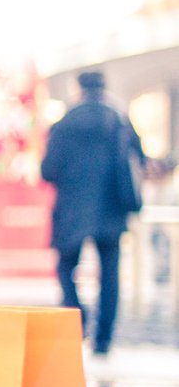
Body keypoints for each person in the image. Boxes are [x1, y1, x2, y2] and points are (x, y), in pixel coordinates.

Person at [41, 70, 144, 356]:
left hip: (72, 210)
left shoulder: (64, 123)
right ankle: (103, 339)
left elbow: (47, 170)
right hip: (112, 209)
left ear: (78, 88)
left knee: (64, 267)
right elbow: (140, 159)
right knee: (110, 275)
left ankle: (77, 318)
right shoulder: (119, 120)